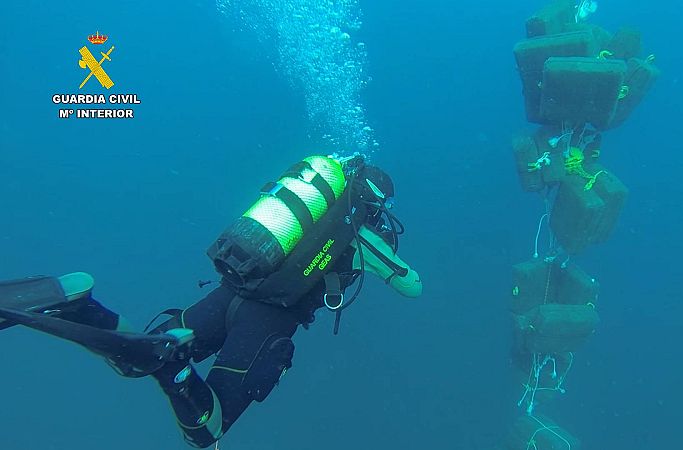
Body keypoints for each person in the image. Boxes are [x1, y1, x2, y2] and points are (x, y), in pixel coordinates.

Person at [0, 154, 422, 448]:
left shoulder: (306, 203)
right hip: (268, 322)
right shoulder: (357, 232)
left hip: (226, 295)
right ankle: (177, 372)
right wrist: (380, 242)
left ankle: (80, 305)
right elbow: (412, 287)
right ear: (376, 203)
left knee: (135, 358)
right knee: (206, 431)